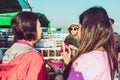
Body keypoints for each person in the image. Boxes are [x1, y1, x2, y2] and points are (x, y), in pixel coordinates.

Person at [49, 6, 118, 80]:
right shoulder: (107, 55)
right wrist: (70, 64)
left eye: (78, 28)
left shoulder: (85, 61)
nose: (77, 31)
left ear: (87, 30)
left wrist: (58, 74)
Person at [0, 12, 48, 80]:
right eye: (39, 26)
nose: (41, 30)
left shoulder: (9, 51)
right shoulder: (33, 57)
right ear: (31, 29)